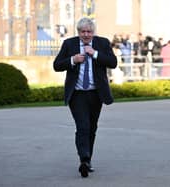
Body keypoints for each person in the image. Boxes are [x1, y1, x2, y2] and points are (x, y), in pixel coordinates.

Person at [53, 17, 117, 178]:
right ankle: (84, 159)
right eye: (83, 32)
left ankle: (88, 161)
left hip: (96, 93)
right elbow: (57, 65)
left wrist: (94, 54)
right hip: (77, 93)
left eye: (89, 31)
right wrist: (72, 60)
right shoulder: (69, 44)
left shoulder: (102, 43)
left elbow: (113, 62)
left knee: (92, 127)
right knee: (83, 126)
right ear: (78, 32)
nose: (86, 35)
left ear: (93, 32)